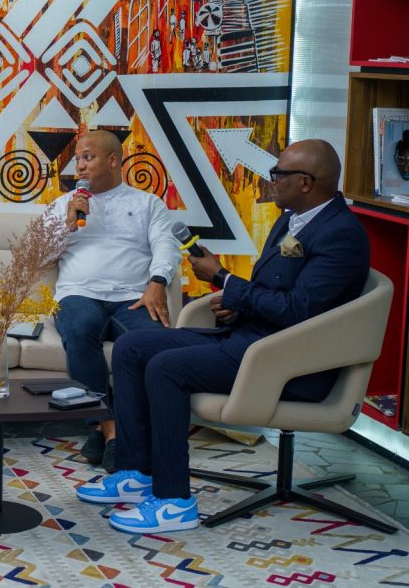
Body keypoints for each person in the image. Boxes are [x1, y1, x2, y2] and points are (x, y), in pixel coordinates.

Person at [76, 139, 369, 534]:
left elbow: (299, 311)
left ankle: (174, 501)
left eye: (278, 174)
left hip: (288, 365)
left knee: (165, 368)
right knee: (131, 347)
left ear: (304, 182)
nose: (270, 181)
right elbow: (278, 292)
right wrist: (238, 304)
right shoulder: (291, 219)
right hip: (249, 340)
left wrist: (223, 279)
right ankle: (136, 472)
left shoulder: (341, 234)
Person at [49, 130, 180, 473]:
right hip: (78, 293)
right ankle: (111, 429)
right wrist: (67, 224)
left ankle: (103, 431)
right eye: (77, 159)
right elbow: (40, 257)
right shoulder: (64, 204)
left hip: (131, 298)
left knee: (152, 343)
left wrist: (157, 282)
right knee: (80, 330)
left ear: (112, 160)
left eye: (87, 157)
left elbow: (165, 245)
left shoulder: (147, 203)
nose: (80, 166)